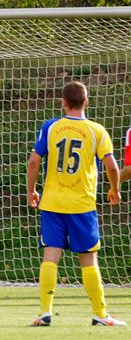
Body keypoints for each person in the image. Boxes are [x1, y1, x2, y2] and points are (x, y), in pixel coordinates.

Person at [25, 81, 124, 326]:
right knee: (88, 259)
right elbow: (112, 166)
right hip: (82, 205)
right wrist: (115, 189)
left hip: (52, 204)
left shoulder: (51, 127)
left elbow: (34, 161)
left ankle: (45, 312)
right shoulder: (97, 130)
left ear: (63, 102)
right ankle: (100, 314)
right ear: (86, 102)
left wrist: (31, 191)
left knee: (50, 255)